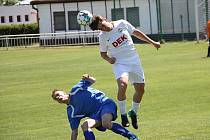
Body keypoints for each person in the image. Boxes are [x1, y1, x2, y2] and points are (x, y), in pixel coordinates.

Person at [89, 15, 161, 129]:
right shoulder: (102, 37)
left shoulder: (121, 23)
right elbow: (103, 54)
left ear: (104, 19)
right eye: (100, 28)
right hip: (120, 63)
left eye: (102, 25)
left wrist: (152, 42)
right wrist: (109, 59)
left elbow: (136, 32)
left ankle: (133, 112)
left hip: (134, 60)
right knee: (123, 85)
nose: (103, 28)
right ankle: (123, 115)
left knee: (140, 90)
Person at [51, 74, 139, 140]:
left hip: (105, 103)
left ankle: (132, 137)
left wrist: (88, 77)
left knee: (106, 123)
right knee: (85, 125)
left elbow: (93, 80)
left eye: (58, 94)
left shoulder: (76, 89)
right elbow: (74, 131)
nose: (58, 97)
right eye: (56, 98)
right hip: (97, 115)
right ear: (59, 102)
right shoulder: (71, 112)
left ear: (64, 92)